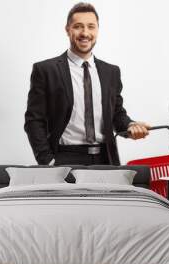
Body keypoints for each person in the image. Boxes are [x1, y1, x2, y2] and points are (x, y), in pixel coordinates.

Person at [24, 2, 150, 166]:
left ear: (97, 30)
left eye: (91, 27)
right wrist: (47, 160)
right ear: (67, 29)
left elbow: (116, 115)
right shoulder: (46, 70)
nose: (85, 33)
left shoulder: (111, 72)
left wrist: (131, 126)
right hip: (64, 159)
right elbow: (34, 120)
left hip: (105, 159)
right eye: (78, 26)